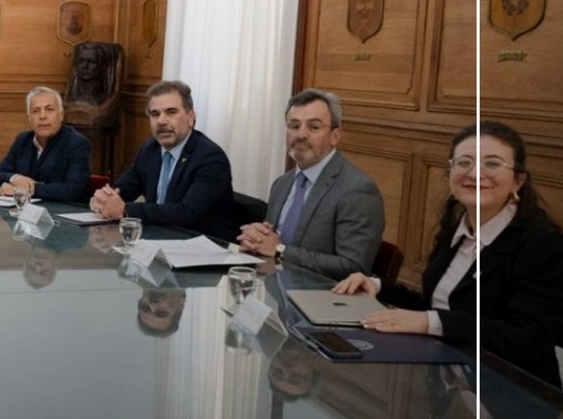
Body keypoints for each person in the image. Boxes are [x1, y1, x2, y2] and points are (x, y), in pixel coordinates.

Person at [333, 121, 563, 387]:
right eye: (464, 163)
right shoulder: (456, 230)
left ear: (518, 180)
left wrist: (430, 322)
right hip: (450, 385)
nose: (475, 173)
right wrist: (377, 285)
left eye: (492, 164)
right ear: (450, 173)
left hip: (515, 399)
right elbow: (440, 306)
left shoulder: (542, 244)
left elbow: (529, 339)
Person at [237, 89, 385, 280]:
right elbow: (271, 245)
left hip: (322, 301)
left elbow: (353, 267)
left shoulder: (358, 190)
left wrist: (280, 250)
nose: (301, 135)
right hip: (274, 288)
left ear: (335, 136)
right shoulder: (282, 184)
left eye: (314, 127)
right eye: (294, 126)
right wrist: (256, 242)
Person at [89, 80, 237, 241]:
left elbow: (187, 213)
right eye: (155, 114)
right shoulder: (150, 149)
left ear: (190, 117)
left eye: (171, 112)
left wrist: (125, 210)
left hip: (203, 248)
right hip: (157, 241)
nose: (161, 121)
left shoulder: (210, 158)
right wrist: (104, 198)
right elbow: (124, 188)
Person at [0, 86, 91, 202]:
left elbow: (72, 190)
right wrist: (14, 178)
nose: (42, 116)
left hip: (64, 214)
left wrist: (27, 189)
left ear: (61, 115)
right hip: (27, 212)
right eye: (35, 111)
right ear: (29, 118)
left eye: (49, 109)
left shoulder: (77, 143)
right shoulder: (23, 140)